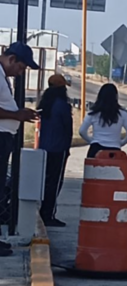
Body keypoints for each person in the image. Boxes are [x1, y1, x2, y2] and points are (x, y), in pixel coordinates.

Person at [0, 42, 40, 257]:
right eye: (21, 67)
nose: (20, 72)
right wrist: (16, 115)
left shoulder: (3, 76)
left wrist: (19, 113)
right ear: (12, 59)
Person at [38, 74, 73, 227]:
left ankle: (41, 211)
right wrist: (67, 147)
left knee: (44, 182)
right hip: (58, 148)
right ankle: (48, 214)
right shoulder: (63, 105)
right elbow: (68, 128)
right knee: (55, 182)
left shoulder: (45, 104)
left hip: (44, 147)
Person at [79, 84, 127, 158]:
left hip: (96, 149)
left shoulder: (93, 113)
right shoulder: (123, 114)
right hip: (115, 151)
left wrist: (92, 141)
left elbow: (82, 131)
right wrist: (121, 143)